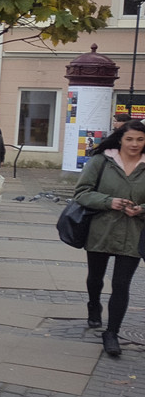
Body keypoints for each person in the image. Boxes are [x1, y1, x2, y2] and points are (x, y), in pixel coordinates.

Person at [74, 120, 145, 357]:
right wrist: (109, 202)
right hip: (100, 230)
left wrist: (141, 208)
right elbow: (82, 193)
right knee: (95, 277)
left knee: (121, 285)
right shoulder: (101, 161)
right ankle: (94, 304)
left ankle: (112, 332)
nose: (135, 144)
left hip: (133, 233)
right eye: (130, 139)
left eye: (140, 139)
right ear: (120, 140)